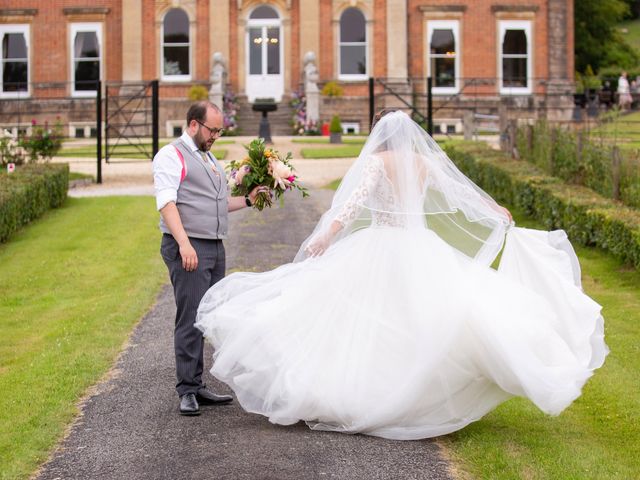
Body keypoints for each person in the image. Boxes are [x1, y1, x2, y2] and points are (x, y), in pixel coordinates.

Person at [195, 110, 608, 439]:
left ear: (380, 137)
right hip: (419, 246)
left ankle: (372, 394)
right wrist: (495, 211)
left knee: (363, 320)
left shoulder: (376, 162)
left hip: (380, 244)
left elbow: (352, 206)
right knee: (419, 318)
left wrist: (326, 237)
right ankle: (413, 395)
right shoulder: (424, 162)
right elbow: (461, 194)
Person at [153, 101, 268, 416]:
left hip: (214, 246)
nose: (216, 135)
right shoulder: (170, 155)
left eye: (219, 130)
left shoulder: (207, 156)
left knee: (207, 315)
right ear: (193, 124)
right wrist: (184, 243)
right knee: (190, 316)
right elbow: (166, 202)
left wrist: (248, 199)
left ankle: (197, 384)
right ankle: (187, 390)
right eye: (212, 129)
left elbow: (215, 203)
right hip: (189, 247)